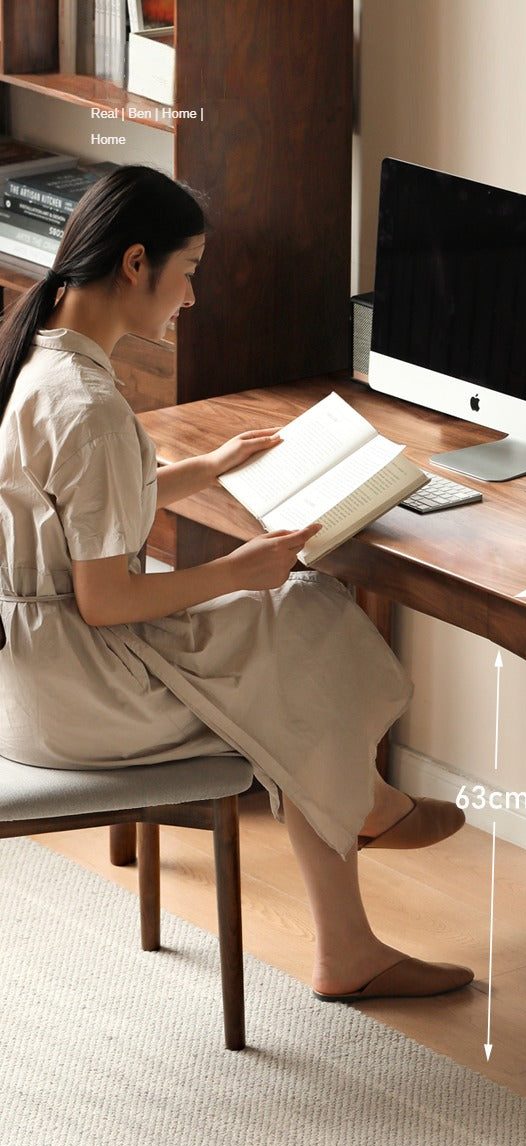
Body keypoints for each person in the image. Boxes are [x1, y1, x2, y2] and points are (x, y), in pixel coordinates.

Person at [0, 164, 473, 1002]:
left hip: (32, 680)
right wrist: (239, 570)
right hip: (82, 695)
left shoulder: (37, 359)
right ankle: (366, 820)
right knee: (300, 619)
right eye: (189, 271)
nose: (190, 298)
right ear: (136, 262)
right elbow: (107, 599)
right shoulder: (90, 408)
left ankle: (358, 882)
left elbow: (76, 512)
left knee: (290, 629)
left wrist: (206, 468)